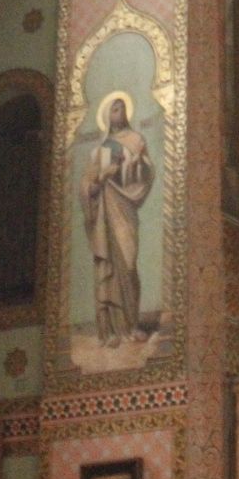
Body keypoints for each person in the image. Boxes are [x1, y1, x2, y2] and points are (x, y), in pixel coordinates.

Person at [80, 95, 153, 347]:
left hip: (125, 210)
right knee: (106, 267)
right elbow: (86, 188)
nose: (117, 111)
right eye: (113, 107)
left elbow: (145, 175)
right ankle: (110, 330)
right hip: (105, 215)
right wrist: (102, 176)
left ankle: (131, 326)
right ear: (106, 115)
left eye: (121, 107)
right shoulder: (98, 151)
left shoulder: (136, 141)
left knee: (129, 265)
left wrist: (135, 163)